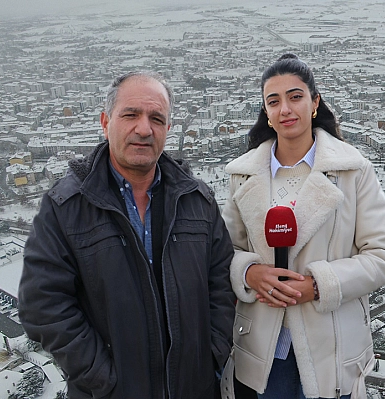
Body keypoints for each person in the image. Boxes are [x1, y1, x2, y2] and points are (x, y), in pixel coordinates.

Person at [18, 71, 236, 399]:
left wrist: (210, 357)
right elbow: (42, 305)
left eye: (156, 118)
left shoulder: (197, 200)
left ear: (168, 129)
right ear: (106, 122)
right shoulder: (65, 208)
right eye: (131, 115)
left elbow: (221, 285)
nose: (144, 128)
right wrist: (105, 380)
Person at [221, 54, 385, 399]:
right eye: (273, 101)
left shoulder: (353, 170)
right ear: (266, 113)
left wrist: (318, 286)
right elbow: (223, 251)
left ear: (315, 102)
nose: (285, 109)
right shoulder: (243, 174)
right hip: (263, 345)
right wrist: (249, 273)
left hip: (331, 343)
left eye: (295, 97)